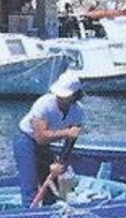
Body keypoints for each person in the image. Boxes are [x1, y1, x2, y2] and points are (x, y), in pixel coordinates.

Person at [13, 72, 85, 207]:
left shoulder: (78, 112)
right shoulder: (44, 104)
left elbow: (71, 141)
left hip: (45, 145)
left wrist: (61, 162)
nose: (60, 98)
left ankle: (49, 213)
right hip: (26, 140)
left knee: (53, 186)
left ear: (74, 96)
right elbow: (40, 137)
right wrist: (66, 133)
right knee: (30, 184)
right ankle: (29, 216)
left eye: (64, 96)